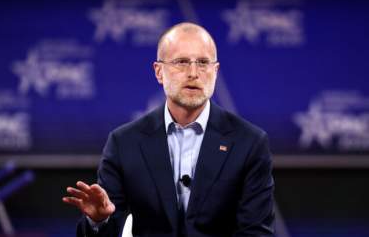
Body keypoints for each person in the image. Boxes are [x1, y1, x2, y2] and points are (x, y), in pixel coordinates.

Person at [63, 22, 275, 237]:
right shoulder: (124, 142)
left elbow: (256, 232)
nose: (193, 73)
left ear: (215, 71)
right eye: (181, 62)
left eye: (203, 63)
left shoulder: (249, 142)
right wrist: (99, 219)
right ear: (159, 71)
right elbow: (104, 230)